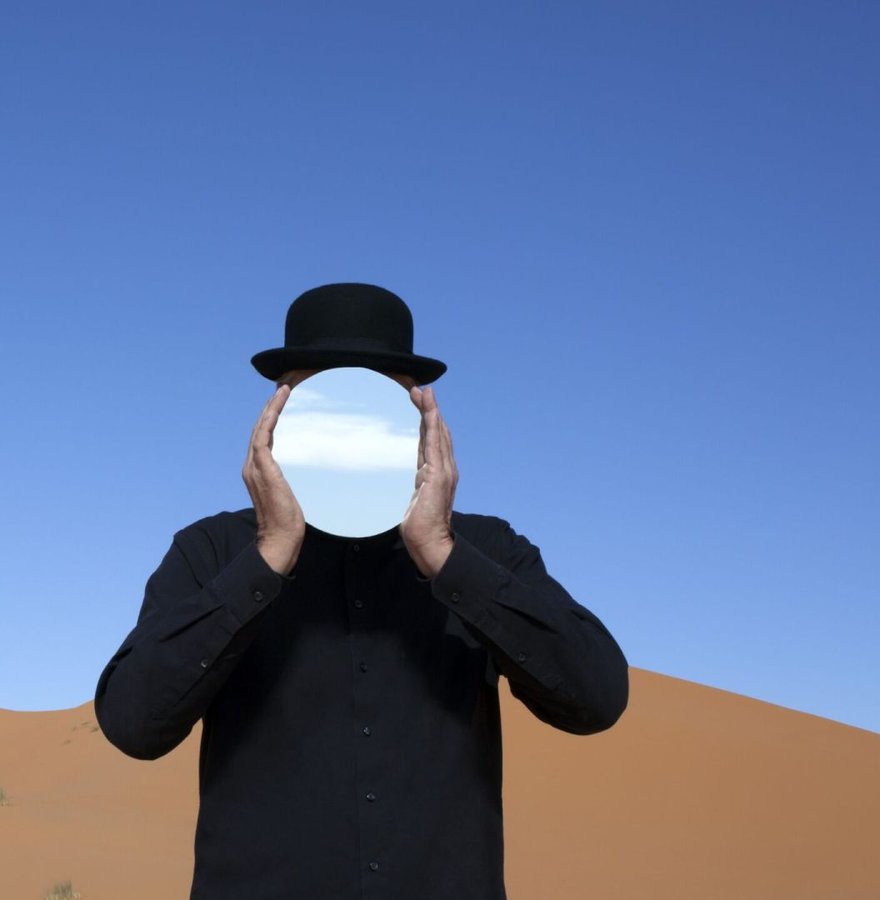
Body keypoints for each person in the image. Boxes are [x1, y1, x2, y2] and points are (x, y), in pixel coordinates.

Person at [92, 283, 629, 900]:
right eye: (320, 399)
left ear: (420, 418)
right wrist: (265, 559)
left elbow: (597, 698)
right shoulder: (211, 551)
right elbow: (133, 724)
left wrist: (445, 556)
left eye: (373, 403)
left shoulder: (488, 549)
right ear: (277, 415)